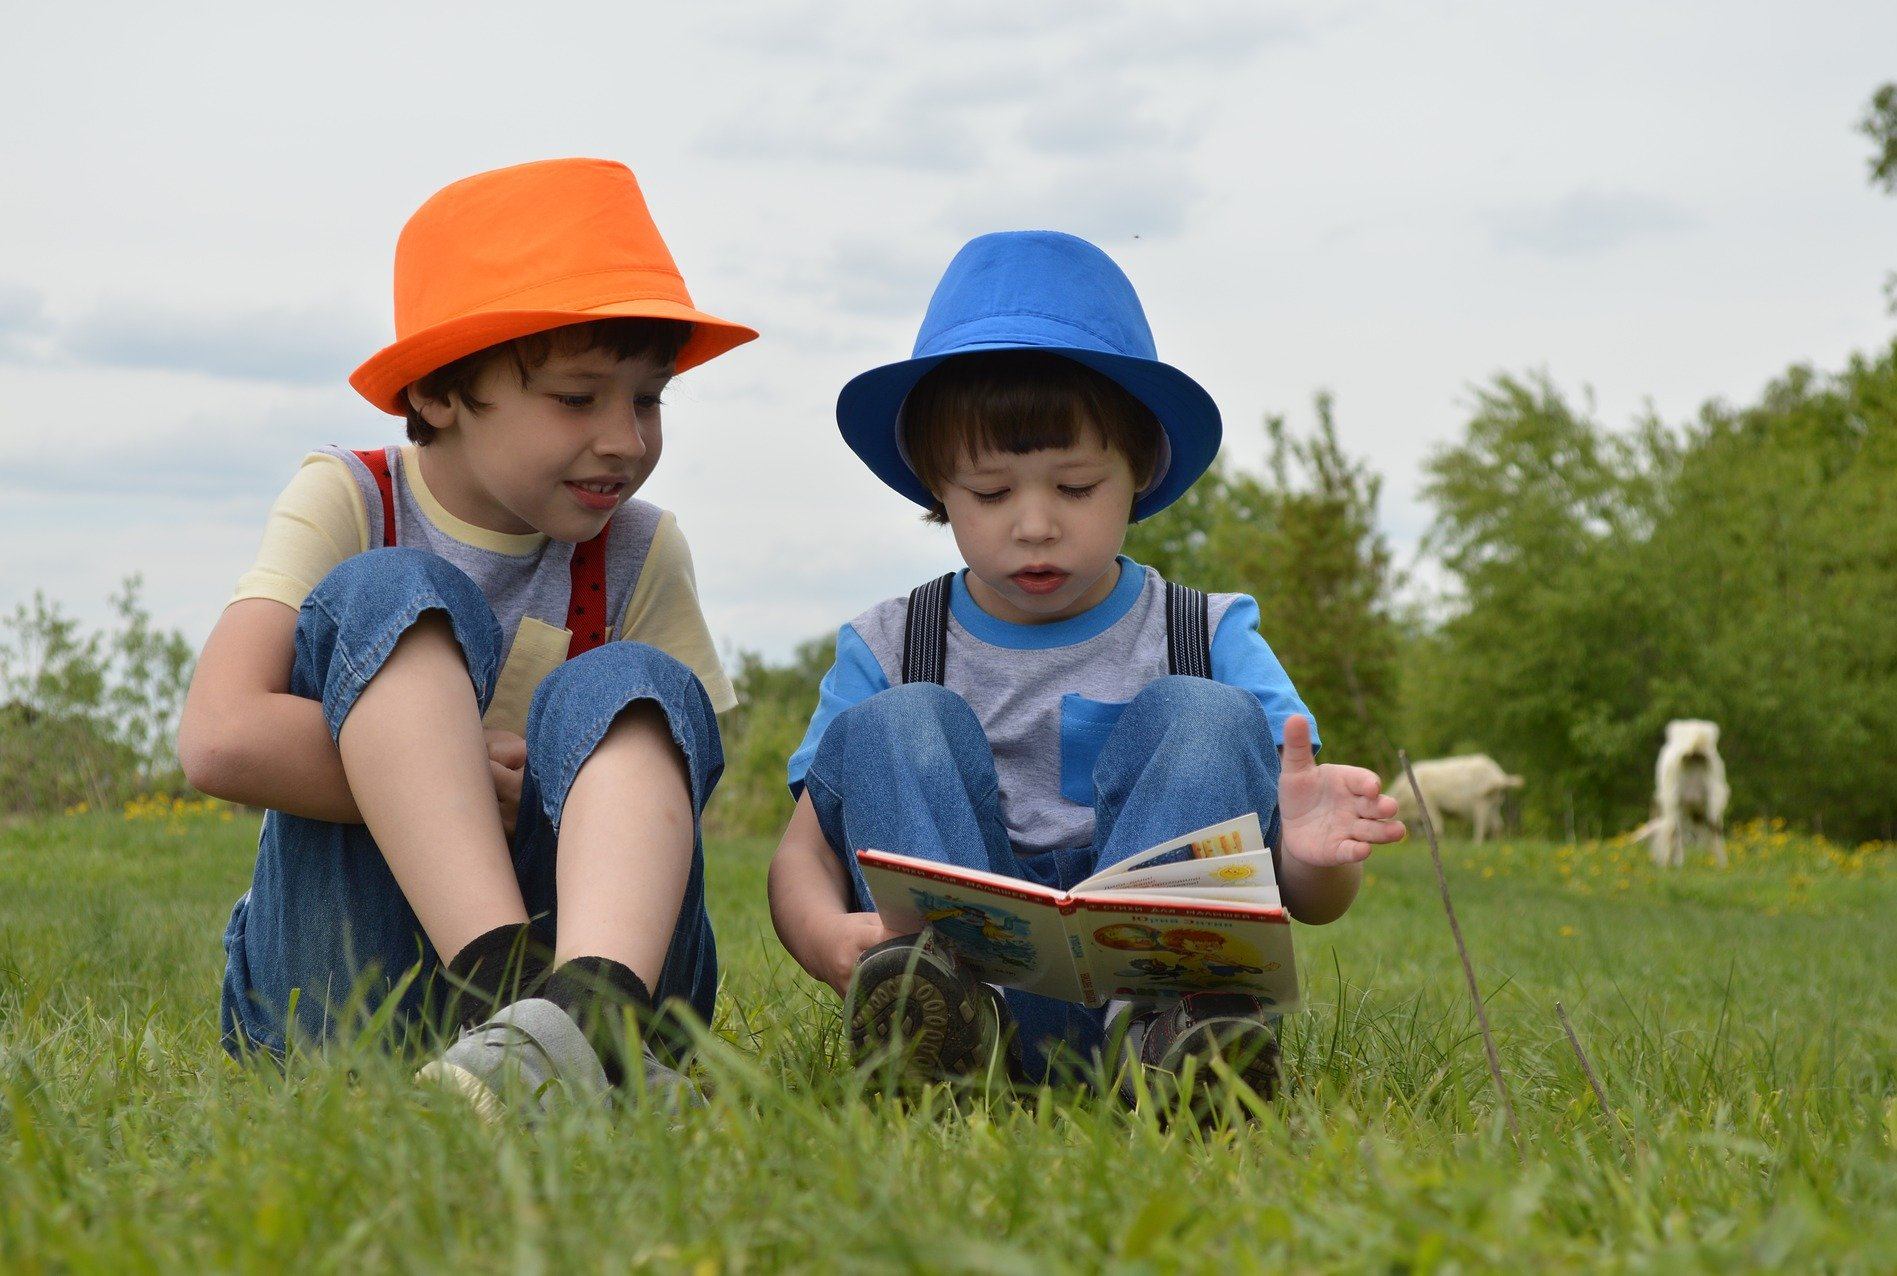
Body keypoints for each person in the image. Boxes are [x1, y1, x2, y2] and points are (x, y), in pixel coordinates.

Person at [766, 230, 1404, 1103]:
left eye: (1074, 488)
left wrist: (1317, 858)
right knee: (897, 721)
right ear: (935, 485)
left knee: (1207, 714)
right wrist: (825, 937)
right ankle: (944, 1044)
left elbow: (1310, 894)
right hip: (963, 982)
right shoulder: (887, 643)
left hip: (1159, 986)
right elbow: (801, 855)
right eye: (991, 494)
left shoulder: (1207, 633)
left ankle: (1175, 1045)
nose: (1034, 526)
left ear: (1138, 471)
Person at [177, 158, 756, 1117]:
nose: (626, 438)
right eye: (579, 398)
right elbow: (222, 735)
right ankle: (521, 1009)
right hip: (350, 987)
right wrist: (445, 775)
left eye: (649, 399)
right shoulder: (352, 498)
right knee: (393, 591)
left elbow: (679, 773)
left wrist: (562, 781)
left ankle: (591, 1017)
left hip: (598, 950)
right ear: (441, 392)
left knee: (636, 684)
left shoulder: (643, 548)